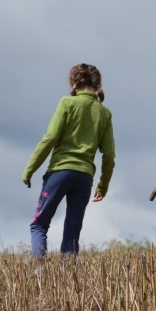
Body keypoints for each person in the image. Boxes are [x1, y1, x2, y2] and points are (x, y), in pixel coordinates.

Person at [23, 63, 116, 257]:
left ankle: (38, 270)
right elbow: (109, 154)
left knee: (39, 224)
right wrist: (103, 186)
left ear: (74, 83)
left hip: (60, 171)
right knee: (72, 231)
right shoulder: (105, 113)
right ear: (97, 85)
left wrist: (29, 170)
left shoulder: (67, 103)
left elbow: (50, 138)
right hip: (85, 177)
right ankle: (69, 273)